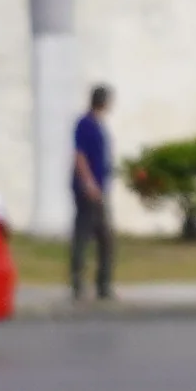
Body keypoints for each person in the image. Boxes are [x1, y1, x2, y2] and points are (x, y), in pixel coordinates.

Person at [66, 83, 122, 302]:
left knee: (104, 238)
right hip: (89, 190)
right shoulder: (86, 124)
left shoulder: (98, 124)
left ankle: (102, 284)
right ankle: (83, 283)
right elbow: (79, 156)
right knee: (87, 235)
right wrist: (89, 183)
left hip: (99, 188)